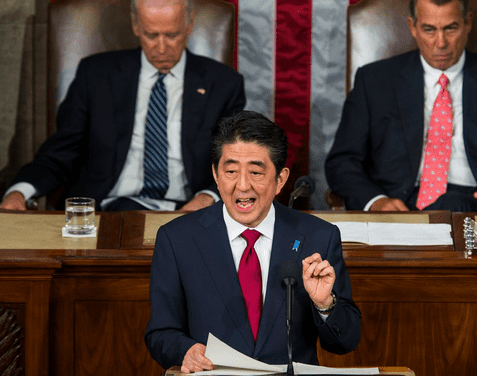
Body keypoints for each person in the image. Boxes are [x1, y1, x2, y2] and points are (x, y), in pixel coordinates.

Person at [144, 111, 361, 372]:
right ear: (215, 174)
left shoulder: (318, 236)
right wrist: (186, 351)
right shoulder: (177, 238)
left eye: (256, 172)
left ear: (280, 179)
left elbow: (345, 342)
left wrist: (325, 305)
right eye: (231, 171)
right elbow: (161, 333)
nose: (243, 185)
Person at [0, 0, 245, 212]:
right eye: (151, 35)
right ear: (136, 26)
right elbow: (60, 153)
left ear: (189, 25)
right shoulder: (95, 75)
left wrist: (208, 197)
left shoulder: (223, 84)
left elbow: (235, 161)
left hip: (186, 212)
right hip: (106, 212)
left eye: (172, 35)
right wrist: (20, 192)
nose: (161, 47)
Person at [325, 0, 477, 213]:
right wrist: (376, 202)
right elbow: (342, 162)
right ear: (412, 27)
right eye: (429, 30)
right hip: (400, 209)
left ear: (468, 23)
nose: (441, 43)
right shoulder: (374, 81)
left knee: (453, 204)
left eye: (451, 28)